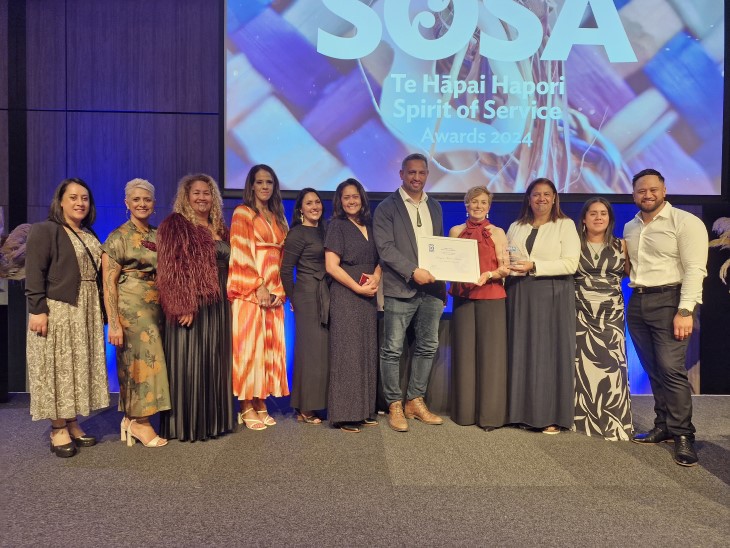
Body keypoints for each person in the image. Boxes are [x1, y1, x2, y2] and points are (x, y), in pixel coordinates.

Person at [624, 168, 708, 466]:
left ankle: (684, 434)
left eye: (652, 189)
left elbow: (696, 269)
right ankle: (663, 426)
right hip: (638, 301)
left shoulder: (685, 222)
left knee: (672, 370)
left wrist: (685, 310)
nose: (647, 195)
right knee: (654, 369)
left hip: (671, 301)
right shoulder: (631, 227)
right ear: (634, 194)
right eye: (641, 191)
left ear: (664, 190)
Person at [25, 178, 109, 457]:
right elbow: (34, 271)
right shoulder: (46, 230)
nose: (79, 203)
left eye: (84, 198)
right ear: (60, 201)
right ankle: (57, 425)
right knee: (57, 366)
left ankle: (72, 420)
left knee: (76, 365)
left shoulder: (89, 234)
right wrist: (37, 309)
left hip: (85, 309)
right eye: (73, 197)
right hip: (59, 308)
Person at [156, 173, 234, 442]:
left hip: (219, 305)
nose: (202, 197)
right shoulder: (176, 224)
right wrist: (183, 305)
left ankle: (214, 422)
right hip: (193, 305)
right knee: (192, 362)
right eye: (196, 193)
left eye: (207, 192)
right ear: (186, 197)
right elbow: (171, 269)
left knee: (214, 361)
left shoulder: (220, 227)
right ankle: (188, 425)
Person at [373, 153, 446, 432]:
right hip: (400, 287)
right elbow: (385, 248)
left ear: (427, 175)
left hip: (432, 291)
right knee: (392, 349)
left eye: (422, 173)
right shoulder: (386, 208)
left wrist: (443, 282)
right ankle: (393, 403)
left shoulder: (435, 206)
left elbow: (438, 247)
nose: (417, 178)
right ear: (401, 174)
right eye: (411, 172)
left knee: (428, 346)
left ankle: (415, 401)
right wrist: (413, 270)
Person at [506, 178, 580, 434]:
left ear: (555, 198)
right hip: (519, 292)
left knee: (547, 354)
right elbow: (507, 257)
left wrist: (534, 266)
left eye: (547, 194)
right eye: (536, 194)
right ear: (529, 198)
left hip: (552, 293)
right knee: (521, 351)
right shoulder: (516, 226)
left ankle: (549, 415)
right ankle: (520, 412)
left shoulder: (565, 225)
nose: (541, 199)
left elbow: (571, 264)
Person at [102, 178, 170, 448]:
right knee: (138, 364)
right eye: (136, 199)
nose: (142, 204)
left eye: (147, 199)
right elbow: (108, 283)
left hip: (157, 307)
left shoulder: (158, 235)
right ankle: (139, 423)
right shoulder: (117, 236)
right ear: (126, 203)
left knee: (153, 361)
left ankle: (133, 419)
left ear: (154, 204)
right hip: (130, 307)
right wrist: (114, 323)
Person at [228, 165, 289, 430]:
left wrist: (279, 290)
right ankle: (245, 406)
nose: (265, 186)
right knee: (248, 350)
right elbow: (241, 251)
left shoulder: (277, 216)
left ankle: (260, 400)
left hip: (273, 292)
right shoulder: (243, 213)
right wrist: (258, 286)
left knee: (267, 349)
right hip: (250, 291)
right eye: (259, 182)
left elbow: (282, 258)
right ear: (251, 185)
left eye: (269, 182)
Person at [448, 186, 509, 431]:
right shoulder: (455, 231)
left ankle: (490, 417)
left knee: (490, 356)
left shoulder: (497, 233)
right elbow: (448, 263)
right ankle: (464, 414)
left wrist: (489, 274)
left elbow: (506, 268)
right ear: (466, 204)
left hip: (491, 295)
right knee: (464, 354)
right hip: (463, 297)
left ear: (489, 206)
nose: (478, 206)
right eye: (474, 202)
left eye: (483, 202)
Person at [573, 197, 633, 441]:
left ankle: (614, 423)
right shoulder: (572, 244)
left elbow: (630, 273)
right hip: (579, 310)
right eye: (593, 213)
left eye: (603, 214)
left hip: (611, 313)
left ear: (610, 219)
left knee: (613, 365)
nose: (598, 217)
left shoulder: (622, 245)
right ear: (584, 219)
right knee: (582, 366)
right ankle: (581, 421)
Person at [325, 179, 381, 432]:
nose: (351, 201)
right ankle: (345, 415)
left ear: (362, 198)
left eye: (355, 196)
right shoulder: (337, 225)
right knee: (347, 354)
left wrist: (377, 277)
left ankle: (364, 410)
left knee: (365, 351)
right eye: (346, 197)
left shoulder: (370, 224)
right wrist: (357, 287)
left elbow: (381, 259)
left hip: (368, 296)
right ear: (340, 200)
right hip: (347, 294)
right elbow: (331, 266)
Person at [281, 188, 329, 424]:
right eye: (309, 203)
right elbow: (285, 269)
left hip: (326, 295)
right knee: (309, 353)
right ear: (301, 208)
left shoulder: (326, 229)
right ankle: (305, 407)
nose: (314, 206)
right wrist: (292, 298)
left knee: (320, 353)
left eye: (317, 202)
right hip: (308, 296)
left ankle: (311, 403)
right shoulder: (297, 233)